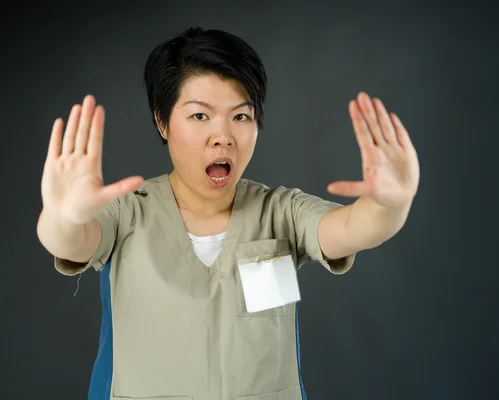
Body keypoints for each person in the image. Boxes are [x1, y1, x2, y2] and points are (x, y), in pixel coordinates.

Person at [36, 26, 420, 400]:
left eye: (241, 116)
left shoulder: (280, 211)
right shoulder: (127, 212)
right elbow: (71, 241)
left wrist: (391, 205)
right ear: (161, 120)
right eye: (200, 116)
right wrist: (63, 216)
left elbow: (354, 227)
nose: (223, 136)